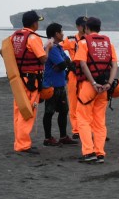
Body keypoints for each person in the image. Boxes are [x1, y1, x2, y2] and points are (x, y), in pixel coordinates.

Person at [72, 16, 118, 164]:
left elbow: (83, 65)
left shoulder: (83, 43)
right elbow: (114, 64)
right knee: (99, 121)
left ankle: (88, 152)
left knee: (83, 119)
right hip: (104, 87)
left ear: (86, 28)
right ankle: (100, 152)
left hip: (88, 86)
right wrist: (109, 83)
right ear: (100, 28)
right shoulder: (108, 43)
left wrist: (92, 82)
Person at [10, 10, 47, 155]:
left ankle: (19, 142)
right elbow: (43, 58)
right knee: (29, 110)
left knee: (19, 110)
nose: (38, 24)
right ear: (33, 23)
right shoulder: (32, 37)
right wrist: (48, 48)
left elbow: (4, 52)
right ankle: (23, 144)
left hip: (18, 79)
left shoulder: (15, 36)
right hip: (31, 80)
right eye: (37, 21)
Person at [42, 23, 77, 146]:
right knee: (49, 112)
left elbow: (67, 62)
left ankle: (63, 136)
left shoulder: (59, 47)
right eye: (61, 31)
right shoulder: (51, 48)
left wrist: (66, 66)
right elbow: (63, 64)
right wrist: (65, 66)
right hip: (51, 85)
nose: (63, 34)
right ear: (56, 34)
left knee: (63, 111)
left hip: (60, 84)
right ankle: (47, 138)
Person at [61, 16, 87, 141]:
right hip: (74, 74)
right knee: (73, 102)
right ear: (78, 26)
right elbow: (57, 47)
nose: (86, 27)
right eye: (84, 25)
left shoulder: (91, 39)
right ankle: (76, 130)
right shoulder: (70, 39)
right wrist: (66, 62)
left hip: (88, 74)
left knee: (88, 102)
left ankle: (90, 128)